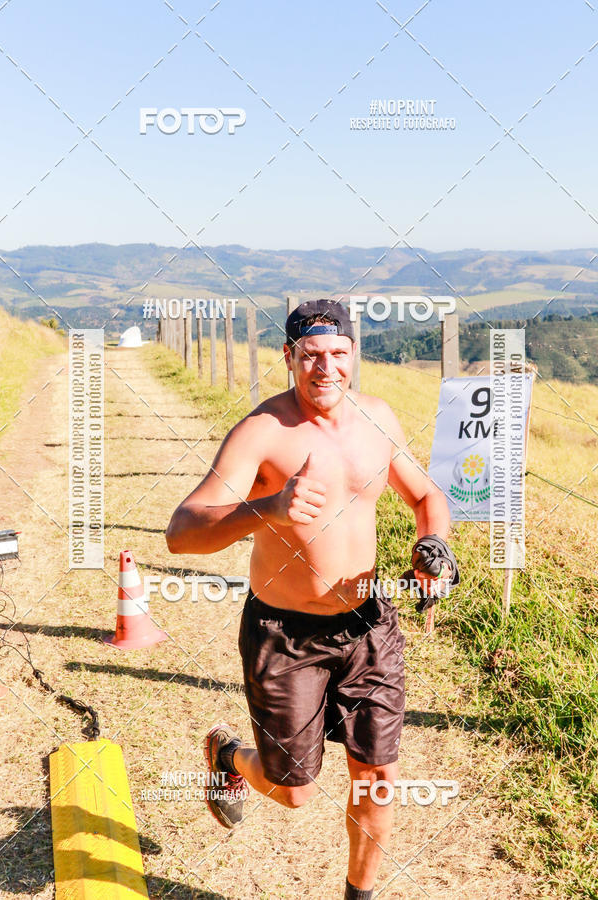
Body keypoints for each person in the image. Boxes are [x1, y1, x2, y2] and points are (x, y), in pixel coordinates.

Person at [166, 298, 458, 900]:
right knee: (293, 790)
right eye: (312, 356)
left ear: (355, 355)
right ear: (290, 358)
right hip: (284, 632)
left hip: (369, 627)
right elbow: (182, 531)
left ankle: (360, 894)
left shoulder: (378, 420)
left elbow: (427, 497)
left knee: (377, 776)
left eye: (339, 354)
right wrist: (265, 508)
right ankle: (228, 758)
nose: (327, 368)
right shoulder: (263, 431)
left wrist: (432, 546)